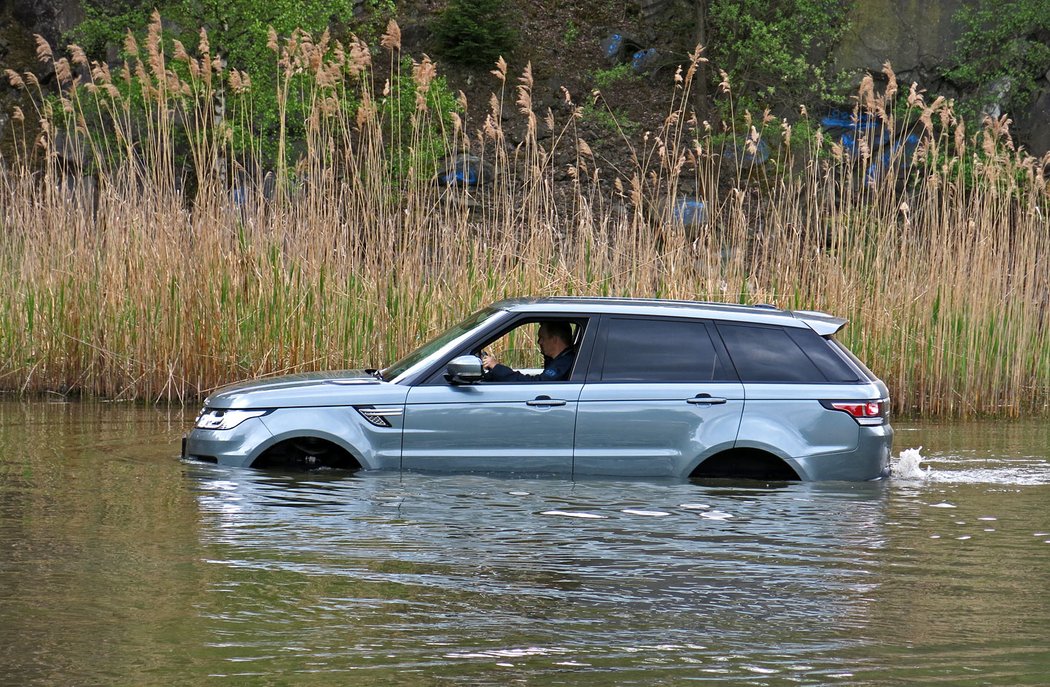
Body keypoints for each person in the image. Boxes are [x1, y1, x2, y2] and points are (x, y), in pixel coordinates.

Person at [481, 322, 575, 382]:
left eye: (542, 338)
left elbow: (537, 384)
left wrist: (497, 367)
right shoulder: (562, 360)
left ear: (554, 340)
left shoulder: (563, 364)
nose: (539, 342)